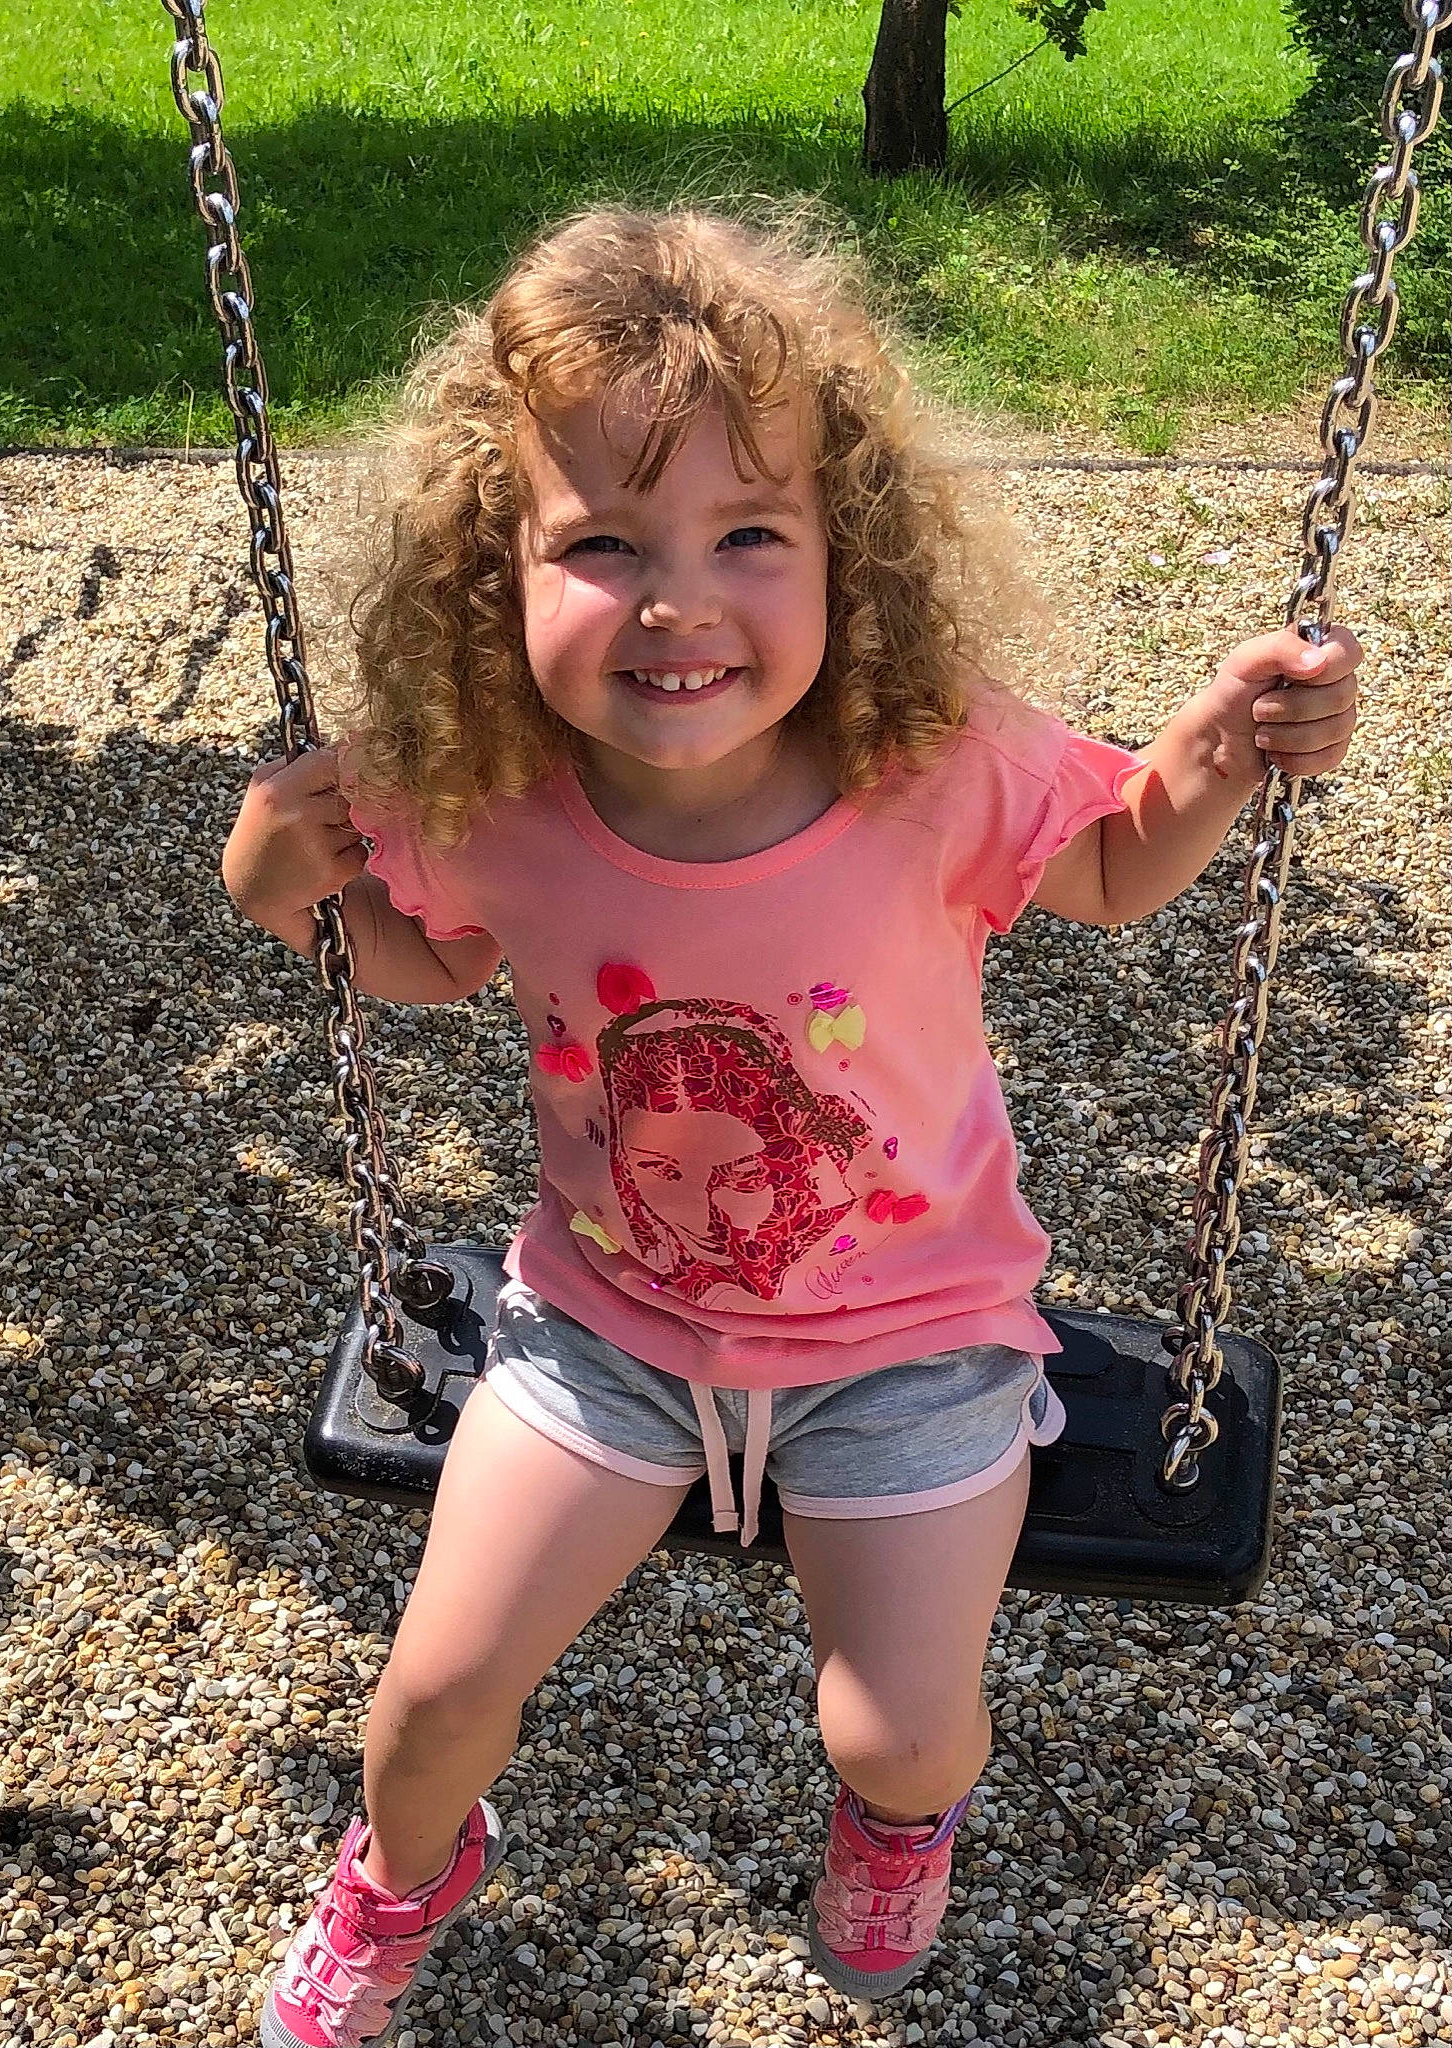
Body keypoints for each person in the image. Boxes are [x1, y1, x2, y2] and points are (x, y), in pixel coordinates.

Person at [221, 207, 1360, 2048]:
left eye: (751, 535)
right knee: (432, 1690)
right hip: (607, 1328)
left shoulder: (931, 770)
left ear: (853, 556)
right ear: (492, 575)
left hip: (914, 1340)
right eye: (602, 543)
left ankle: (897, 1827)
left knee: (895, 1724)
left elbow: (1118, 865)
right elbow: (416, 970)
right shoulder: (492, 799)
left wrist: (1223, 742)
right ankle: (400, 1875)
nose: (679, 603)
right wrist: (282, 882)